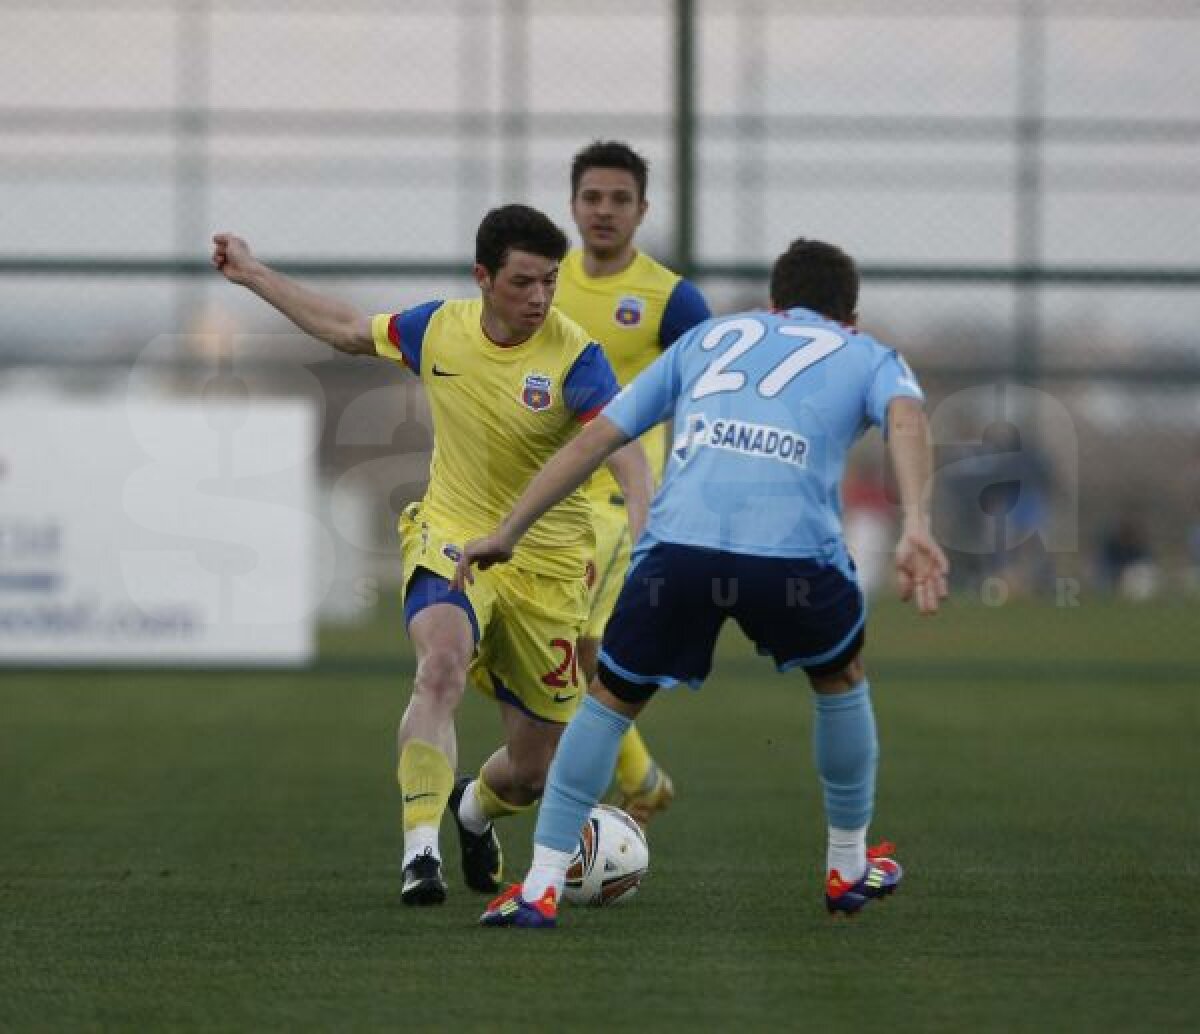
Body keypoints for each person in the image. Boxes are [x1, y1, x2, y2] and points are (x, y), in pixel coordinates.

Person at [454, 238, 949, 927]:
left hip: (679, 549)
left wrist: (509, 531)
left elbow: (595, 439)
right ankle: (846, 867)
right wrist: (917, 522)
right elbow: (907, 417)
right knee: (840, 679)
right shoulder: (867, 353)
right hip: (791, 558)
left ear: (774, 302)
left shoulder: (711, 336)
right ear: (850, 314)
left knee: (609, 701)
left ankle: (539, 886)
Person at [211, 204, 653, 907]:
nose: (538, 298)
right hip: (453, 537)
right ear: (483, 277)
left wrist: (643, 526)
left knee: (534, 773)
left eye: (549, 282)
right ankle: (421, 853)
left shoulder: (575, 356)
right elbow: (347, 330)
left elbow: (622, 448)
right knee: (439, 667)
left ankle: (472, 809)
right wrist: (255, 273)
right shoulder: (437, 329)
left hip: (549, 569)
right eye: (522, 283)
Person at [553, 140, 713, 825]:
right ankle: (641, 779)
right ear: (573, 205)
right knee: (568, 653)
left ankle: (574, 811)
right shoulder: (545, 283)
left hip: (623, 502)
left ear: (643, 209)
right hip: (548, 502)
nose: (605, 211)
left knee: (574, 647)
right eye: (592, 197)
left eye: (620, 199)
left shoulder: (671, 299)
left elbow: (712, 388)